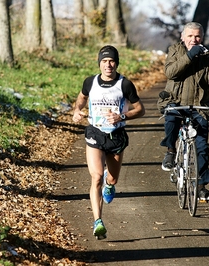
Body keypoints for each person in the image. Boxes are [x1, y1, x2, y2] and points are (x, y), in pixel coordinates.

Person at [72, 45, 145, 240]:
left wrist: (121, 116)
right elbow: (81, 98)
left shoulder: (125, 85)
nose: (108, 65)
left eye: (111, 61)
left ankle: (110, 185)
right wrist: (77, 110)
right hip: (95, 133)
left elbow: (140, 110)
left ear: (117, 63)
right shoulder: (90, 82)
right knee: (96, 177)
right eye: (104, 61)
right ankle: (98, 221)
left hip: (116, 136)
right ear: (99, 63)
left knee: (111, 179)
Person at [157, 22, 209, 201]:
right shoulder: (175, 50)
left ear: (202, 37)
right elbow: (170, 73)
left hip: (198, 106)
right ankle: (171, 152)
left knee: (202, 146)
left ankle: (201, 187)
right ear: (183, 37)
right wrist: (189, 56)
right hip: (175, 102)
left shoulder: (208, 55)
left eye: (197, 36)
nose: (194, 40)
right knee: (171, 119)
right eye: (190, 36)